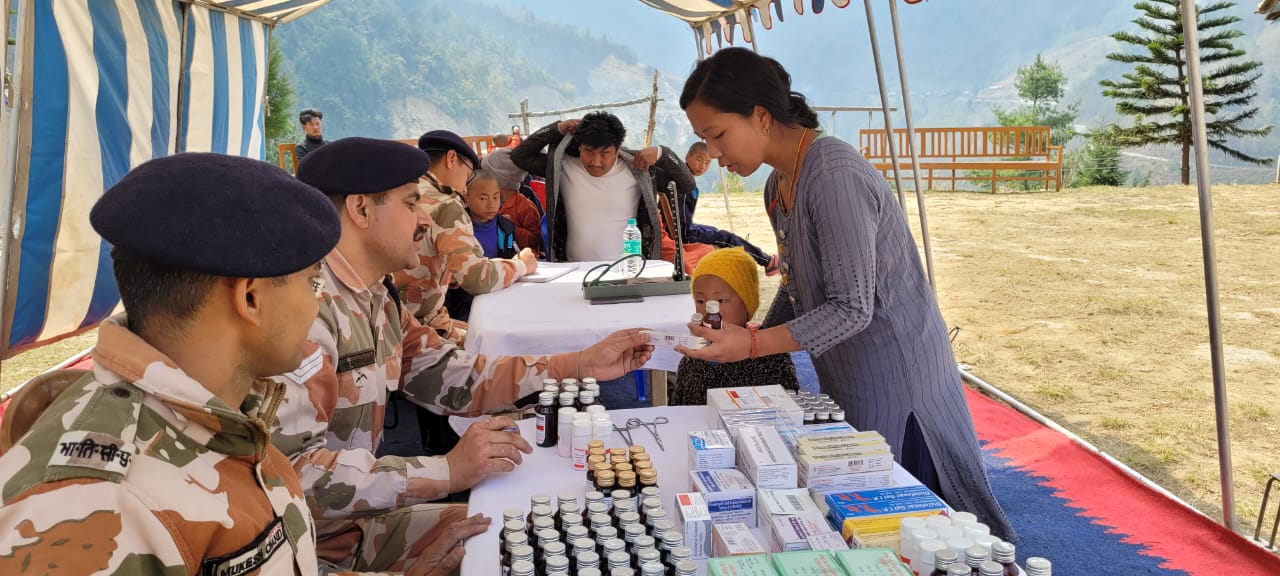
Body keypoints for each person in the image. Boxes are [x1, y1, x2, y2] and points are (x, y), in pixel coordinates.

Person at [0, 153, 463, 576]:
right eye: (311, 284)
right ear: (250, 298)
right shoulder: (95, 506)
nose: (317, 305)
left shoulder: (223, 406)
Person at [677, 47, 1015, 541]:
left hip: (898, 377)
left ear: (762, 116)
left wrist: (751, 346)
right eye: (705, 138)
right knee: (864, 522)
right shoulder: (779, 186)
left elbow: (850, 307)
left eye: (718, 134)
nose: (715, 152)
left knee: (920, 528)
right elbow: (797, 286)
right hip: (849, 371)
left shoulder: (833, 176)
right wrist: (743, 340)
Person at [272, 137, 654, 574]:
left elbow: (449, 374)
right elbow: (293, 476)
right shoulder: (307, 313)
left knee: (544, 536)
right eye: (412, 203)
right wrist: (447, 471)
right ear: (360, 210)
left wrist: (579, 364)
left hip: (352, 525)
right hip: (304, 551)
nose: (423, 218)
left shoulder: (374, 295)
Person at [395, 130, 538, 346]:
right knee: (499, 345)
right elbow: (477, 278)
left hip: (390, 318)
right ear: (452, 158)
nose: (465, 186)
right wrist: (521, 266)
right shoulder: (446, 204)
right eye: (468, 173)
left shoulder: (400, 191)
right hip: (419, 328)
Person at [510, 111, 694, 263]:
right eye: (588, 151)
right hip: (573, 271)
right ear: (579, 146)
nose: (595, 162)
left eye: (605, 153)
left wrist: (663, 153)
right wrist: (556, 129)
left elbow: (686, 185)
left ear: (618, 148)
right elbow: (520, 156)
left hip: (627, 270)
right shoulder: (562, 166)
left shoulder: (639, 171)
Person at [671, 248, 797, 405]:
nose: (710, 311)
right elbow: (678, 411)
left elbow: (790, 410)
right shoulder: (692, 359)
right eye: (701, 301)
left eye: (721, 300)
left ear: (747, 303)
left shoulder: (772, 356)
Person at [683, 142, 780, 275]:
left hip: (685, 228)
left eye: (707, 163)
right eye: (699, 159)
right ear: (688, 157)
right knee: (725, 238)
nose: (702, 166)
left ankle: (765, 259)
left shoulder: (687, 181)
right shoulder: (685, 183)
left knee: (716, 232)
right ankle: (766, 261)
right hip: (685, 233)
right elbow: (683, 225)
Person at [444, 170, 518, 322]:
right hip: (466, 305)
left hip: (501, 298)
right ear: (466, 198)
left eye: (496, 197)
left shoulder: (506, 229)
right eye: (483, 198)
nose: (491, 204)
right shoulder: (456, 230)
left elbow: (512, 261)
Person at [483, 148, 543, 255]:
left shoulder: (525, 207)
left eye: (486, 177)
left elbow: (535, 240)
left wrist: (511, 228)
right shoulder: (490, 203)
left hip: (521, 261)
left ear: (498, 181)